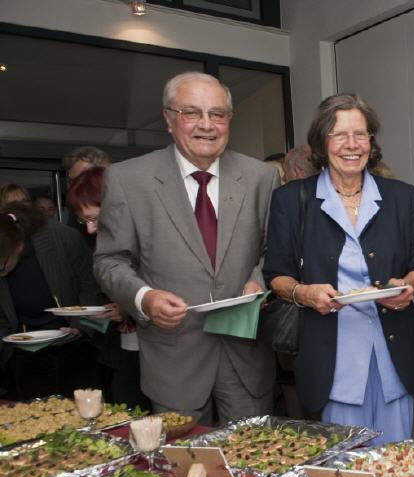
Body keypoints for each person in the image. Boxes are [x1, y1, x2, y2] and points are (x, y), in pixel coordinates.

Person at [93, 71, 278, 425]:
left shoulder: (261, 177)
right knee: (185, 469)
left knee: (254, 463)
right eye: (191, 113)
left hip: (245, 353)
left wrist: (259, 281)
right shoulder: (128, 179)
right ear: (168, 119)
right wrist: (144, 298)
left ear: (229, 120)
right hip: (174, 358)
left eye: (217, 114)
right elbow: (109, 261)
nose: (206, 125)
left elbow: (275, 250)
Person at [263, 93, 414, 444]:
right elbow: (275, 274)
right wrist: (303, 293)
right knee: (345, 468)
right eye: (339, 134)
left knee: (399, 463)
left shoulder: (401, 196)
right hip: (333, 359)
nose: (351, 145)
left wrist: (408, 285)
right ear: (322, 142)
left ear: (371, 140)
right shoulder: (291, 200)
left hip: (395, 355)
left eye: (361, 134)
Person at [66, 167, 150, 408]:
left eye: (94, 219)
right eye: (84, 221)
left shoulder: (153, 241)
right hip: (124, 350)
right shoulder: (105, 247)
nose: (90, 229)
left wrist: (129, 307)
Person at [0, 201, 101, 399]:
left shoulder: (62, 238)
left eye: (2, 267)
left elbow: (91, 287)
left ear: (18, 247)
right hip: (24, 352)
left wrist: (80, 326)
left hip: (74, 346)